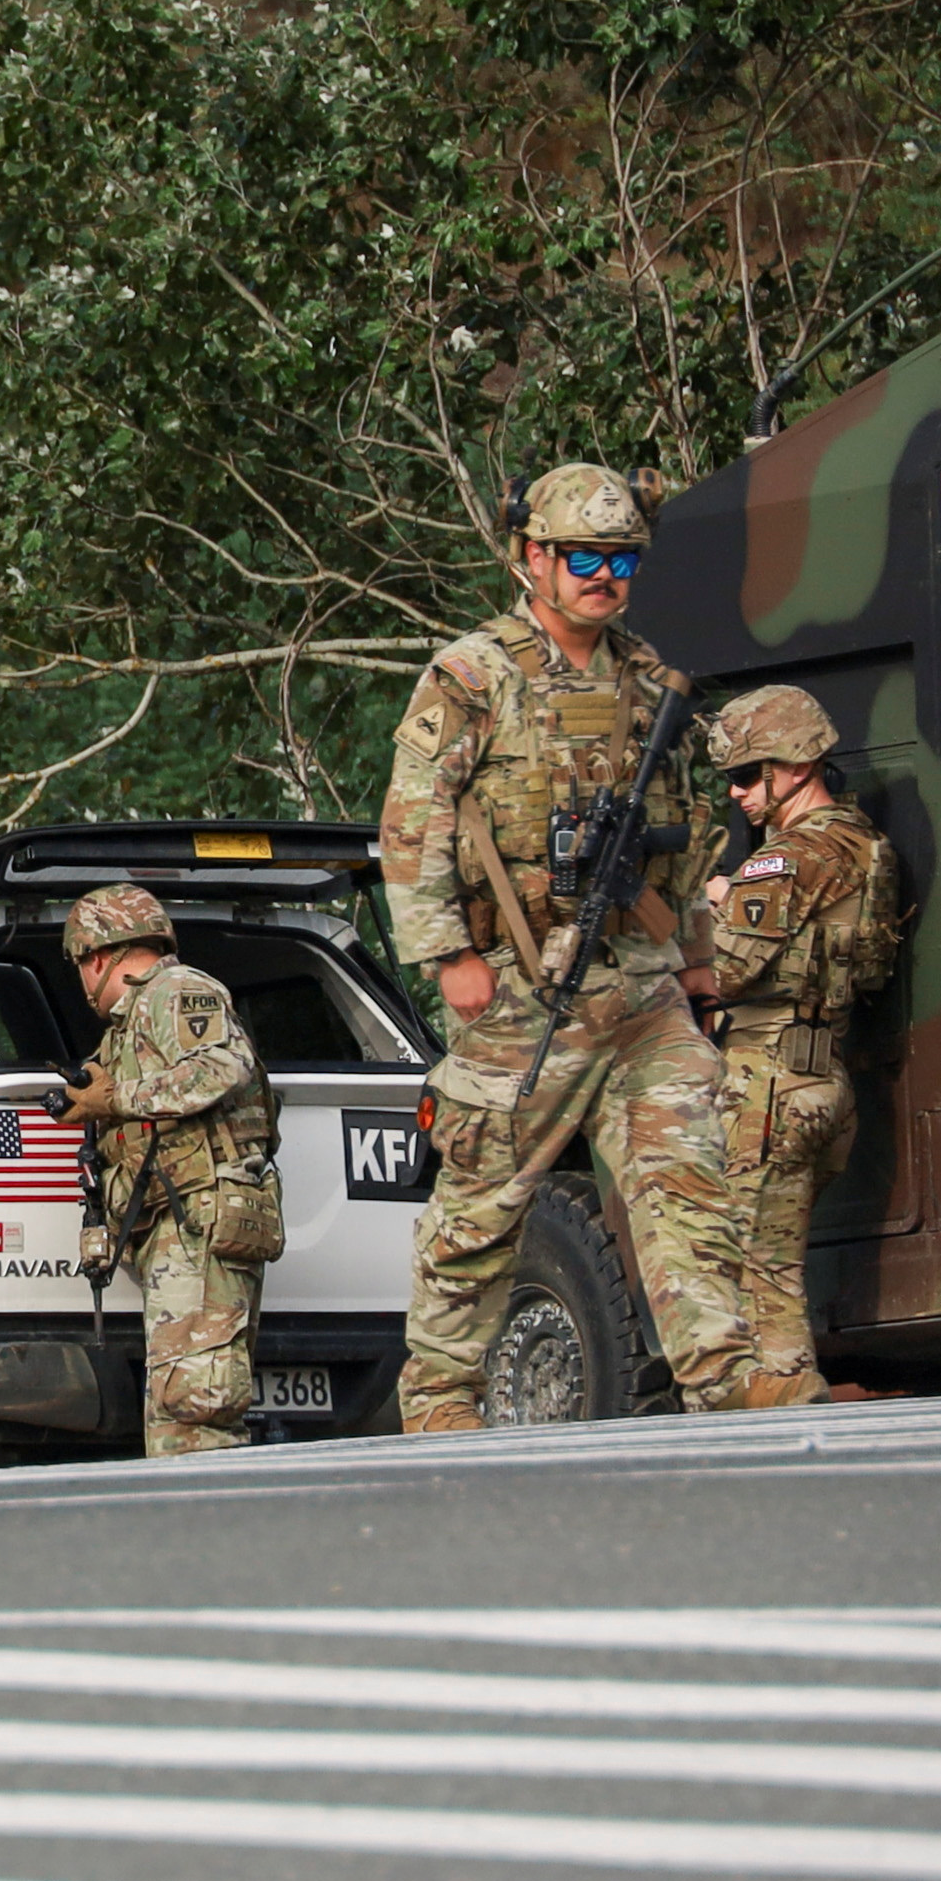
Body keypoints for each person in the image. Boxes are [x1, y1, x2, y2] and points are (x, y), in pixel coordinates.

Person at [374, 464, 749, 1431]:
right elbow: (413, 820)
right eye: (585, 555)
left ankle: (727, 1379)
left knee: (691, 1181)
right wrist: (447, 956)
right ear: (531, 556)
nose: (605, 574)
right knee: (482, 1198)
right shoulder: (472, 676)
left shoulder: (650, 680)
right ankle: (442, 1397)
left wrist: (698, 954)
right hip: (523, 991)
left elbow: (689, 831)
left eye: (623, 557)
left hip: (643, 989)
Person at [685, 681, 903, 1410]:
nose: (740, 793)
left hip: (769, 1083)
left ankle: (784, 1399)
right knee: (767, 1260)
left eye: (750, 775)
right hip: (821, 1078)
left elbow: (729, 967)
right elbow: (866, 967)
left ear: (797, 765)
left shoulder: (783, 861)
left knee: (756, 1268)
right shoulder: (865, 845)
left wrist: (711, 901)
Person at [61, 885, 280, 1455]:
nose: (83, 980)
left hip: (201, 1220)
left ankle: (206, 1533)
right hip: (175, 1225)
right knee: (175, 1406)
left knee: (195, 1406)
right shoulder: (129, 1023)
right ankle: (183, 1526)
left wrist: (117, 1099)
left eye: (81, 964)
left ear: (99, 956)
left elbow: (216, 1069)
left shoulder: (177, 991)